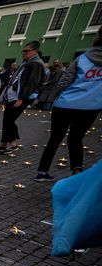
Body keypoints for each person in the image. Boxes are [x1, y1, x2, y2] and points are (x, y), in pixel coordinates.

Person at [34, 28, 102, 182]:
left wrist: (61, 95)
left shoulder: (83, 58)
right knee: (76, 139)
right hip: (90, 107)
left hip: (65, 104)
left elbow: (64, 82)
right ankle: (77, 171)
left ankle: (42, 172)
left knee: (54, 139)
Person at [0, 41, 45, 155]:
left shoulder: (36, 64)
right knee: (6, 120)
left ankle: (13, 144)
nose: (24, 53)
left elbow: (32, 83)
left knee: (10, 120)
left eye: (27, 51)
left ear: (35, 51)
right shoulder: (27, 63)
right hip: (13, 96)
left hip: (19, 97)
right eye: (23, 51)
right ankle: (3, 144)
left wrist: (22, 99)